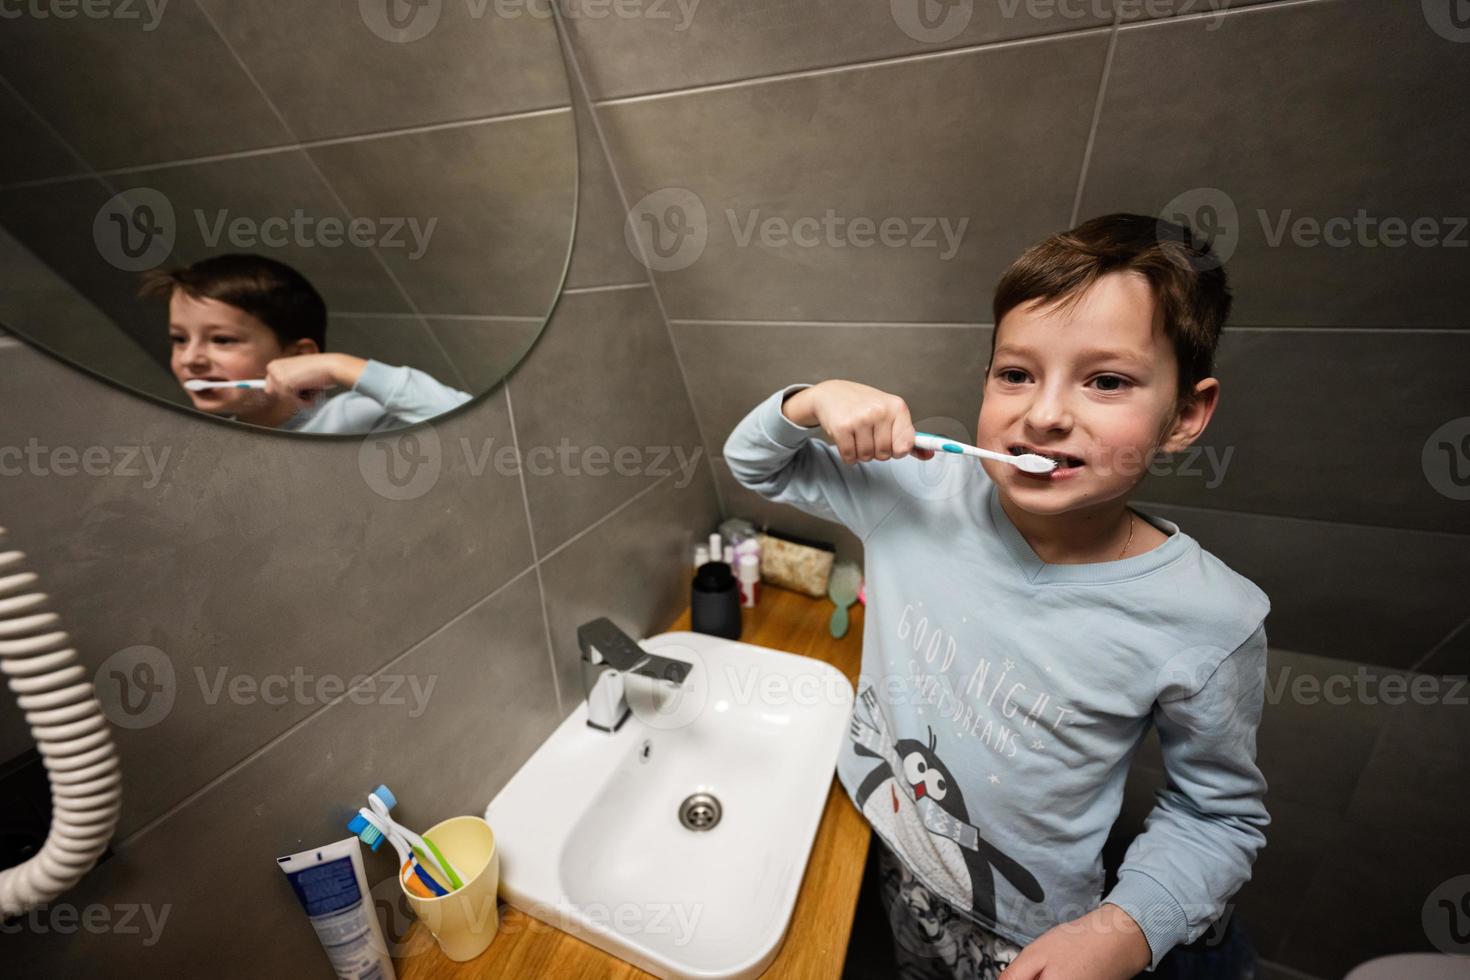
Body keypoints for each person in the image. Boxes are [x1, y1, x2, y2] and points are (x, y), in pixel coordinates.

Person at [723, 214, 1270, 980]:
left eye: (1106, 380)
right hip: (895, 852)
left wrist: (1123, 931)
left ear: (1184, 414)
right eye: (1016, 374)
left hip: (1036, 933)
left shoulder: (1214, 619)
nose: (1043, 414)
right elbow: (756, 463)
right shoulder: (913, 489)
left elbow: (1217, 817)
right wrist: (810, 402)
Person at [140, 254, 470, 434]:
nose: (191, 358)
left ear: (300, 356)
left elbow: (477, 423)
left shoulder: (360, 418)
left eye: (222, 340)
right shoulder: (217, 444)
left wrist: (338, 366)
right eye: (179, 339)